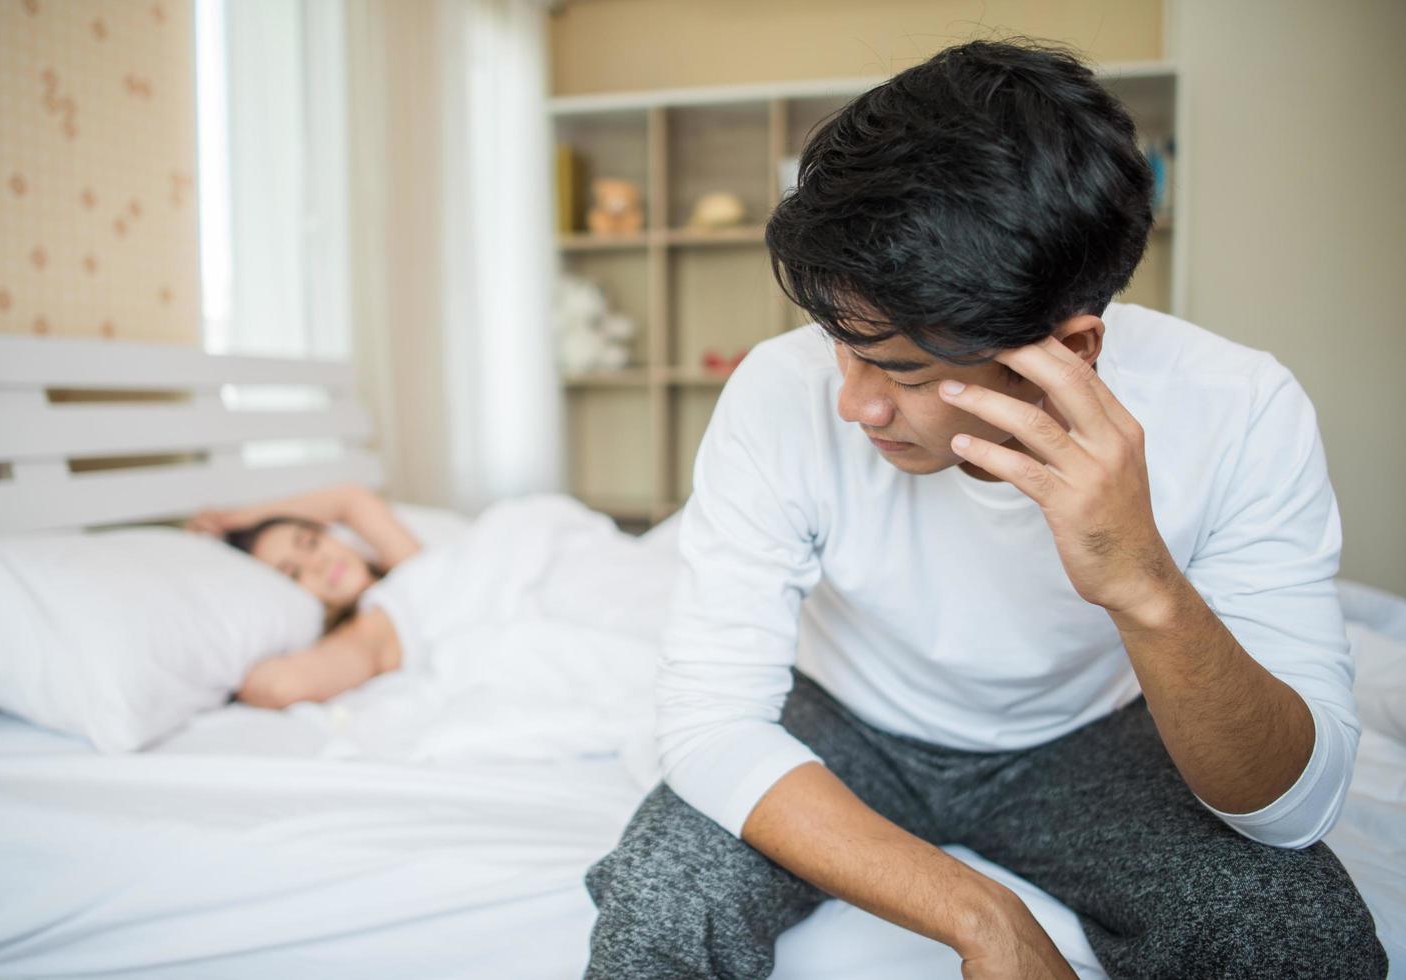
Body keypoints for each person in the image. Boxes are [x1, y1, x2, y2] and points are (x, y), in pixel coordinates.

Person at [583, 39, 1387, 980]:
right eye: (838, 343)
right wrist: (978, 916)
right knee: (658, 901)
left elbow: (1291, 807)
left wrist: (1144, 586)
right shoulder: (777, 393)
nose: (853, 404)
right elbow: (709, 724)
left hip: (1088, 743)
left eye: (902, 369)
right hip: (844, 723)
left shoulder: (1239, 408)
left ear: (1072, 348)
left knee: (1298, 939)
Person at [187, 482, 420, 708]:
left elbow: (349, 499)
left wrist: (240, 518)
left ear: (328, 534)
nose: (318, 563)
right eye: (295, 574)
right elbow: (278, 686)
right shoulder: (369, 630)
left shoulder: (412, 565)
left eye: (311, 543)